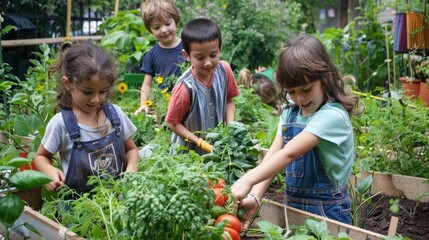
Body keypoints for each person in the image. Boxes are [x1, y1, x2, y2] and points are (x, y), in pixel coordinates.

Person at [231, 35, 359, 227]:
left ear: (325, 78)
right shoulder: (291, 111)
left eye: (306, 89)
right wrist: (255, 196)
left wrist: (247, 179)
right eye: (291, 91)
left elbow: (289, 153)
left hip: (327, 212)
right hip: (291, 208)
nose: (299, 98)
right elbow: (274, 154)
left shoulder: (333, 116)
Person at [34, 41, 139, 194]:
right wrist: (49, 171)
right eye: (87, 92)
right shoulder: (61, 123)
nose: (96, 99)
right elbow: (41, 156)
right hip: (79, 209)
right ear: (68, 83)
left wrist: (131, 170)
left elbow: (131, 150)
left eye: (103, 91)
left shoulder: (115, 115)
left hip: (118, 201)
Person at [165, 18, 240, 155]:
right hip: (186, 155)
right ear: (187, 55)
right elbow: (172, 123)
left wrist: (230, 125)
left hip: (216, 152)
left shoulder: (225, 71)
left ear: (219, 50)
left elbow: (229, 101)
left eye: (213, 55)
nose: (208, 63)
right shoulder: (185, 88)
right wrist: (199, 141)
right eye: (200, 58)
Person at [134, 0, 186, 115]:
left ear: (176, 21)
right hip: (163, 105)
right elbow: (147, 84)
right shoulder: (151, 54)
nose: (163, 30)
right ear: (150, 30)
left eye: (167, 24)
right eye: (157, 27)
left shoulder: (188, 47)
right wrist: (143, 103)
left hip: (188, 101)